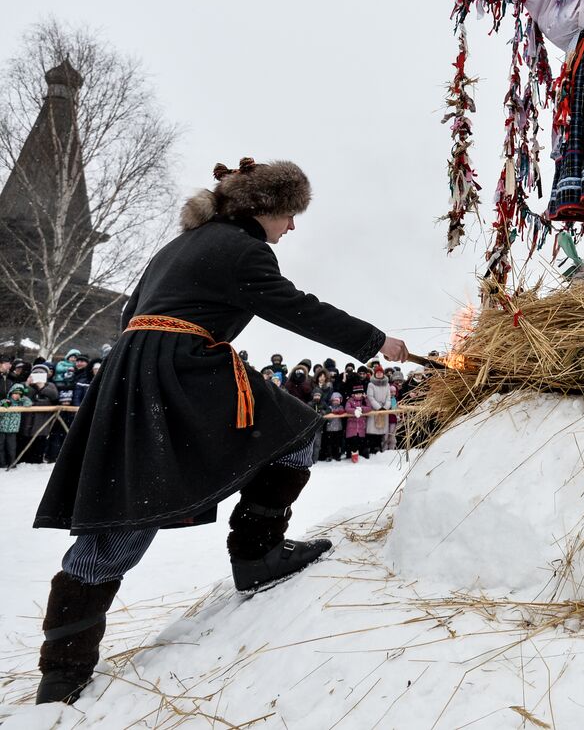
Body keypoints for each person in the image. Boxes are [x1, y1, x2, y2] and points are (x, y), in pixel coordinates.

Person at [30, 157, 409, 706]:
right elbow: (295, 308)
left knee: (125, 505)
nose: (292, 228)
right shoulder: (242, 250)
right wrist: (376, 342)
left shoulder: (177, 248)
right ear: (261, 209)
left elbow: (133, 312)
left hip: (134, 370)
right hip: (182, 367)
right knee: (290, 436)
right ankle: (257, 556)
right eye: (289, 215)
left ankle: (60, 671)